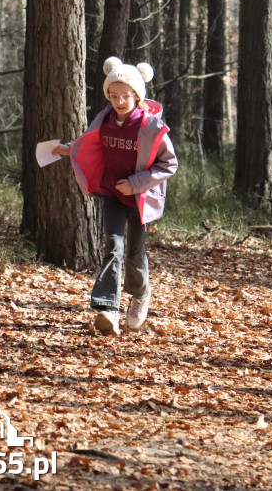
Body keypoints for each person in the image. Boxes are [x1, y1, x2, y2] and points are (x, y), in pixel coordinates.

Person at [53, 57, 178, 336]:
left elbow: (169, 164)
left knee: (134, 253)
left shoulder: (150, 127)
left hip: (141, 199)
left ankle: (140, 295)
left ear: (136, 95)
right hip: (112, 195)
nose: (119, 101)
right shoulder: (105, 119)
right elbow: (90, 144)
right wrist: (67, 149)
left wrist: (135, 184)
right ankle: (107, 308)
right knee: (112, 246)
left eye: (125, 95)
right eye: (113, 95)